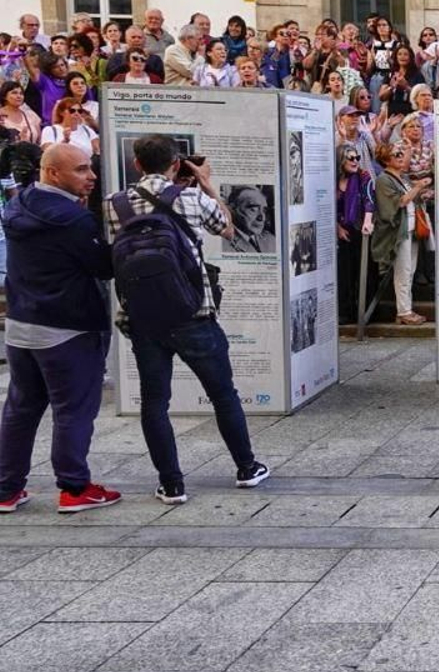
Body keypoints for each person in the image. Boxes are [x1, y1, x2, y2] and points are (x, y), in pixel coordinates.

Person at [107, 136, 271, 501]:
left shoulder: (113, 204)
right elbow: (228, 228)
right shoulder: (191, 197)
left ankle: (171, 483)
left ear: (137, 164)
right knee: (222, 394)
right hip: (193, 311)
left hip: (142, 316)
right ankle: (246, 468)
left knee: (154, 402)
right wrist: (208, 183)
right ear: (177, 164)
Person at [0, 144, 119, 513]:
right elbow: (103, 266)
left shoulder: (19, 205)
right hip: (67, 328)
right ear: (53, 173)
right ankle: (74, 487)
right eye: (82, 170)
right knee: (74, 410)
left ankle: (6, 489)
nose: (92, 176)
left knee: (21, 409)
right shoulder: (73, 220)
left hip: (21, 325)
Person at [372, 142, 430, 325]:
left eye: (400, 154)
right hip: (398, 233)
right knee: (403, 272)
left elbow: (411, 198)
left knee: (410, 271)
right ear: (386, 159)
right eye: (396, 154)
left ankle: (406, 309)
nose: (400, 157)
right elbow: (400, 202)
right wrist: (418, 187)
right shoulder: (384, 180)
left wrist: (421, 193)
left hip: (411, 230)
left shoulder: (403, 177)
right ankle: (404, 311)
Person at [335, 144, 375, 324]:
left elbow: (369, 200)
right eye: (350, 158)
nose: (355, 161)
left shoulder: (363, 176)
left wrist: (367, 221)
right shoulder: (333, 180)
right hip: (339, 229)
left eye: (357, 157)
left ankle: (364, 311)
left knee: (364, 270)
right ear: (341, 160)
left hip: (359, 228)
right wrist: (337, 228)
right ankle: (344, 310)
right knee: (344, 272)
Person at [222, 186, 272, 252]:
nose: (261, 218)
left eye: (264, 210)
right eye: (253, 209)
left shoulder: (271, 239)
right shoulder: (223, 244)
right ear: (232, 209)